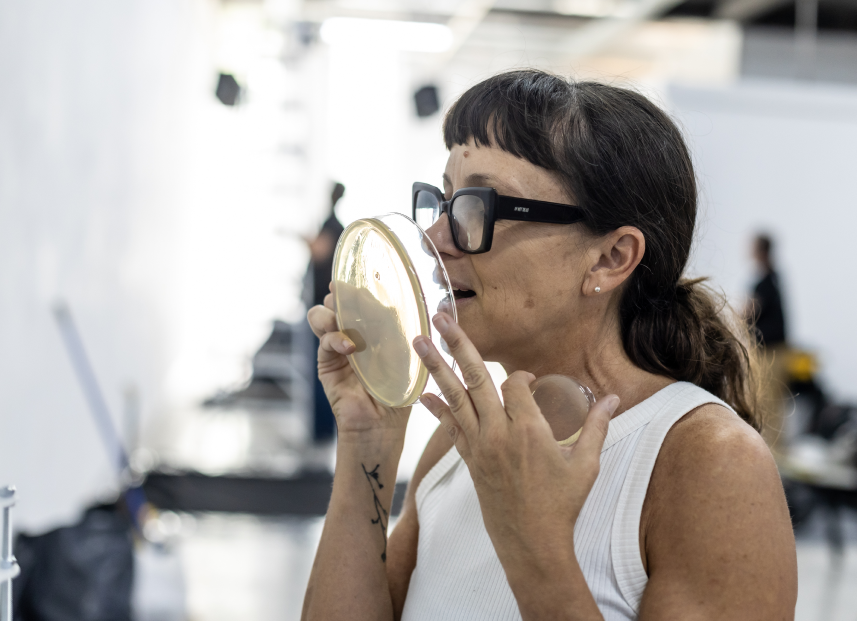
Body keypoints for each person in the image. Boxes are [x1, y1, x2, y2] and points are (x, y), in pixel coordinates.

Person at [303, 71, 796, 620]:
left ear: (610, 259)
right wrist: (367, 441)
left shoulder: (710, 463)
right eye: (442, 202)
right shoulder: (459, 440)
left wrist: (531, 541)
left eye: (478, 207)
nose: (436, 238)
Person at [301, 182, 345, 442]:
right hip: (321, 304)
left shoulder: (332, 225)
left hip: (323, 307)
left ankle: (323, 433)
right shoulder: (332, 224)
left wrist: (301, 238)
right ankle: (323, 431)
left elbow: (320, 251)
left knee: (322, 369)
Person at [746, 233, 790, 450]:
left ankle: (772, 451)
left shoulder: (766, 282)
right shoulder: (772, 279)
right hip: (771, 350)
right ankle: (771, 449)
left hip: (770, 352)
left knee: (768, 403)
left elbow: (750, 312)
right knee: (767, 402)